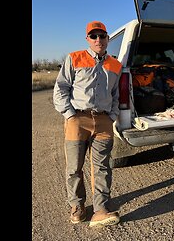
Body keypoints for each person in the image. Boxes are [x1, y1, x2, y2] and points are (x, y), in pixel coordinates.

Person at [53, 21, 122, 227]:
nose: (98, 40)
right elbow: (61, 87)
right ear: (88, 39)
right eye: (94, 36)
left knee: (102, 167)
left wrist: (112, 115)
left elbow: (117, 94)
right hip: (78, 119)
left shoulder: (115, 65)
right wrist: (69, 114)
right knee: (74, 167)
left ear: (108, 38)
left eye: (102, 36)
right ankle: (77, 206)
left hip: (103, 120)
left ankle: (100, 210)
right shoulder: (74, 58)